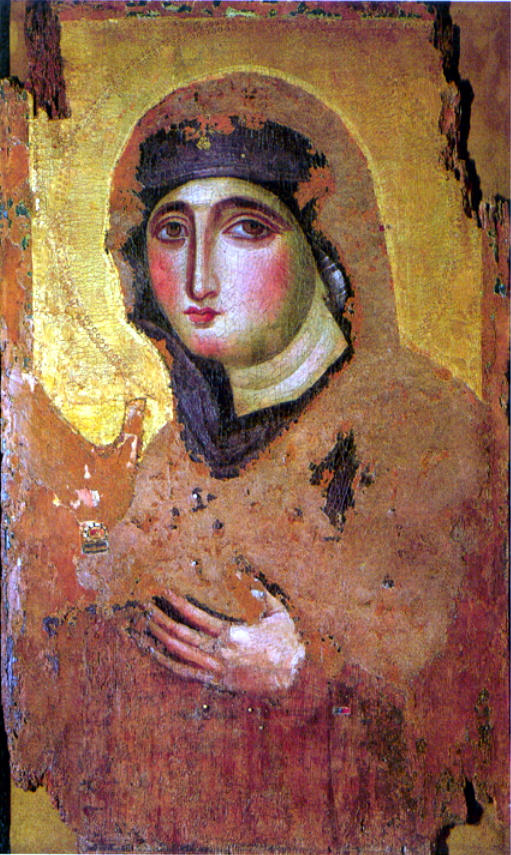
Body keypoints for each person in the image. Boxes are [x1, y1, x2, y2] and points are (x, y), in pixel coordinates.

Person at [6, 80, 506, 854]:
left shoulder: (427, 433)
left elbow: (468, 716)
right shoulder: (171, 458)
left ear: (327, 248)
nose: (198, 278)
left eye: (246, 227)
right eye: (172, 231)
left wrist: (307, 673)